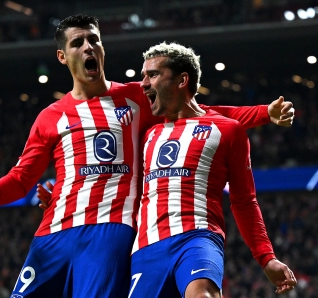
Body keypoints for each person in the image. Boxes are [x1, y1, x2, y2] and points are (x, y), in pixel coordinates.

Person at [0, 15, 294, 297]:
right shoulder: (51, 116)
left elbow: (200, 114)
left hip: (110, 233)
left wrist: (264, 113)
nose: (88, 47)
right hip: (52, 233)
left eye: (94, 40)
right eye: (78, 42)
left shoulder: (136, 98)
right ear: (62, 57)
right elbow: (21, 179)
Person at [123, 42, 297, 297]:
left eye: (153, 74)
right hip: (146, 249)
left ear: (183, 80)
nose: (144, 83)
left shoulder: (227, 131)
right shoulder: (147, 133)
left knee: (202, 294)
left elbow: (244, 201)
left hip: (197, 238)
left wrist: (266, 257)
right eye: (143, 76)